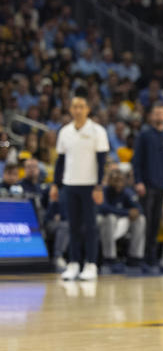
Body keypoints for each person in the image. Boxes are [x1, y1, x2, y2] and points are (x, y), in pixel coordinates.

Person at [54, 87, 109, 281]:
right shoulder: (65, 132)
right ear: (70, 109)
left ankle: (91, 264)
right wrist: (55, 184)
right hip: (70, 184)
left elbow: (102, 161)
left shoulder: (97, 131)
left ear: (87, 109)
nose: (78, 110)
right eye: (75, 106)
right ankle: (74, 263)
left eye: (81, 106)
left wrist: (99, 186)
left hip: (90, 186)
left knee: (91, 226)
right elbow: (60, 161)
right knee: (73, 226)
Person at [133, 103, 163, 270]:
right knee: (147, 221)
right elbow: (136, 161)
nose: (159, 116)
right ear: (151, 116)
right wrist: (138, 181)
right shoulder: (144, 136)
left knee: (156, 222)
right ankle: (142, 256)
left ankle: (152, 256)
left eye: (162, 113)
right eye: (156, 113)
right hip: (146, 185)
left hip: (162, 186)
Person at [97, 167, 146, 272]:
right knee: (110, 218)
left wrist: (133, 213)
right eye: (115, 180)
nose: (118, 183)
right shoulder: (104, 191)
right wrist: (126, 212)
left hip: (121, 224)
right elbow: (103, 208)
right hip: (104, 223)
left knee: (140, 219)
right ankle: (109, 258)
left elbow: (139, 209)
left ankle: (135, 258)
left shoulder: (127, 192)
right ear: (109, 180)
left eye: (120, 180)